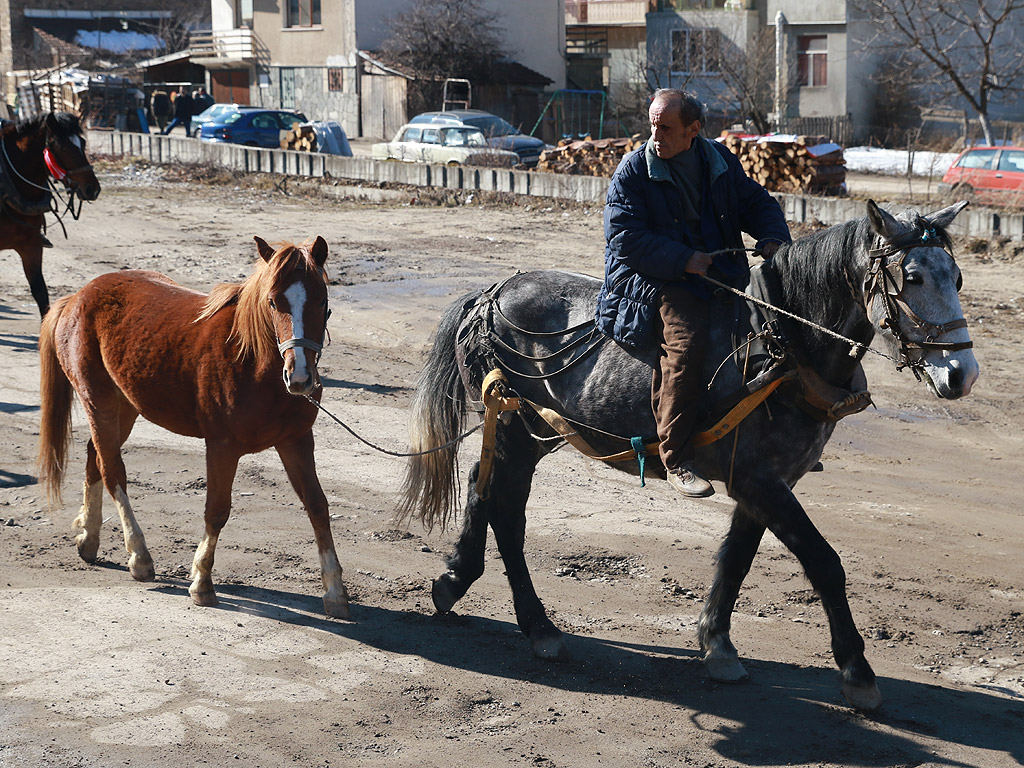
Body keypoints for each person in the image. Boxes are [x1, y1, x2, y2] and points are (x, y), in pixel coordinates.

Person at [594, 89, 791, 497]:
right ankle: (676, 458)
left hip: (717, 272)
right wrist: (684, 259)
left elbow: (756, 202)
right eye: (652, 124)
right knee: (687, 346)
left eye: (665, 127)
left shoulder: (718, 160)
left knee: (772, 330)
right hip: (654, 278)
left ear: (693, 130)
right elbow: (624, 238)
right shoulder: (633, 171)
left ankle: (771, 441)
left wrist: (772, 237)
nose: (654, 134)